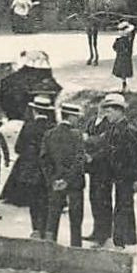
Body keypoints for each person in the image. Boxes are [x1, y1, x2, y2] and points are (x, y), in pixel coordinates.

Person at [1, 94, 56, 237]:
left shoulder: (28, 127)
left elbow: (18, 148)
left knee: (34, 202)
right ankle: (47, 231)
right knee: (46, 201)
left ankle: (36, 230)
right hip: (48, 171)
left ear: (35, 110)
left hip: (30, 170)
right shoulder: (52, 127)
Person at [40, 102, 87, 246]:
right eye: (77, 117)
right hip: (74, 183)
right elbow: (79, 161)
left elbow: (44, 159)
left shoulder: (49, 134)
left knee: (53, 215)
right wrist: (67, 180)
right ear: (71, 117)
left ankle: (49, 245)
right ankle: (75, 247)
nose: (78, 120)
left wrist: (53, 179)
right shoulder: (77, 135)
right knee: (76, 217)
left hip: (54, 181)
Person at [102, 94, 137, 249]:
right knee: (122, 206)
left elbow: (135, 156)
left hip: (126, 175)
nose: (107, 115)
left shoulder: (129, 131)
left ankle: (120, 241)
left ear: (119, 111)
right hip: (117, 175)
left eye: (110, 112)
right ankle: (123, 239)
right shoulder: (113, 129)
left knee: (123, 207)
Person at [84, 94, 123, 245]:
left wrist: (91, 142)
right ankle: (96, 230)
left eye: (106, 108)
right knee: (94, 198)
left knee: (104, 200)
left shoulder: (110, 124)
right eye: (102, 107)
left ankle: (105, 233)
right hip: (92, 167)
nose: (103, 111)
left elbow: (105, 144)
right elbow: (86, 138)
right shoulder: (92, 121)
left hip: (104, 168)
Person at [0, 51, 60, 121]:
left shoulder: (7, 81)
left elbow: (0, 102)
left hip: (15, 119)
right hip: (41, 119)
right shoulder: (46, 80)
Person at [111, 22, 136, 90]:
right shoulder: (128, 40)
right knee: (125, 70)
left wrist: (118, 51)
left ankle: (123, 82)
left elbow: (114, 47)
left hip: (120, 57)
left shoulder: (118, 40)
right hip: (126, 58)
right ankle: (124, 83)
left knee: (122, 70)